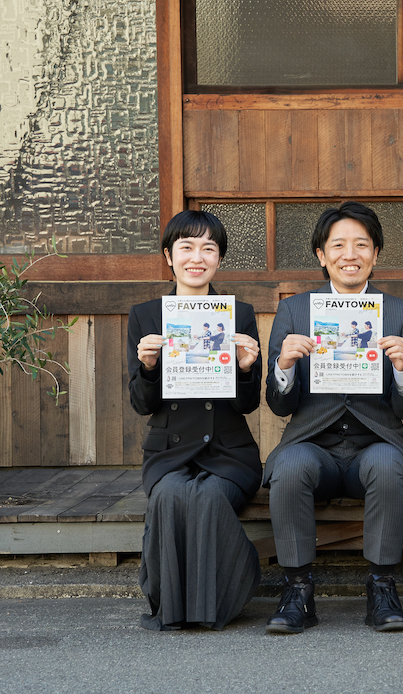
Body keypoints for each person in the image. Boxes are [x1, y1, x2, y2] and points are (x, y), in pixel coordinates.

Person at [263, 202, 403, 634]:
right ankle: (298, 589)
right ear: (321, 254)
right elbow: (279, 404)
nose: (349, 254)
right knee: (290, 466)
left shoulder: (400, 313)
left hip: (375, 443)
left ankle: (382, 586)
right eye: (338, 245)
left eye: (361, 245)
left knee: (389, 466)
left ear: (375, 254)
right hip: (312, 443)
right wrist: (285, 365)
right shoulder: (296, 310)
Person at [127, 210, 263, 631]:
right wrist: (148, 368)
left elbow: (246, 405)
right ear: (169, 256)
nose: (197, 257)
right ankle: (172, 605)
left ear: (219, 259)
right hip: (168, 452)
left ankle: (216, 603)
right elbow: (141, 404)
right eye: (186, 247)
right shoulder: (145, 315)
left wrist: (245, 368)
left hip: (229, 452)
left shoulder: (238, 314)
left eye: (209, 248)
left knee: (207, 497)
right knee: (169, 496)